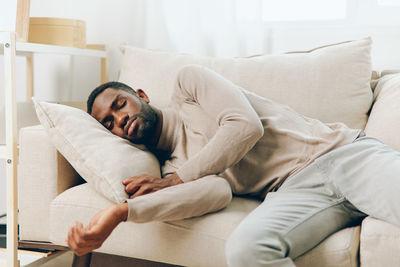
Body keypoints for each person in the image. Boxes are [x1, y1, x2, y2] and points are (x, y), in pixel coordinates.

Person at [66, 65, 400, 266]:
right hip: (294, 191)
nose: (120, 119)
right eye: (108, 123)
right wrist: (120, 213)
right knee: (246, 249)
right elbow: (216, 191)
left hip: (344, 155)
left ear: (142, 95)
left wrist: (178, 179)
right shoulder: (170, 170)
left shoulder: (188, 85)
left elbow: (245, 127)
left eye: (120, 105)